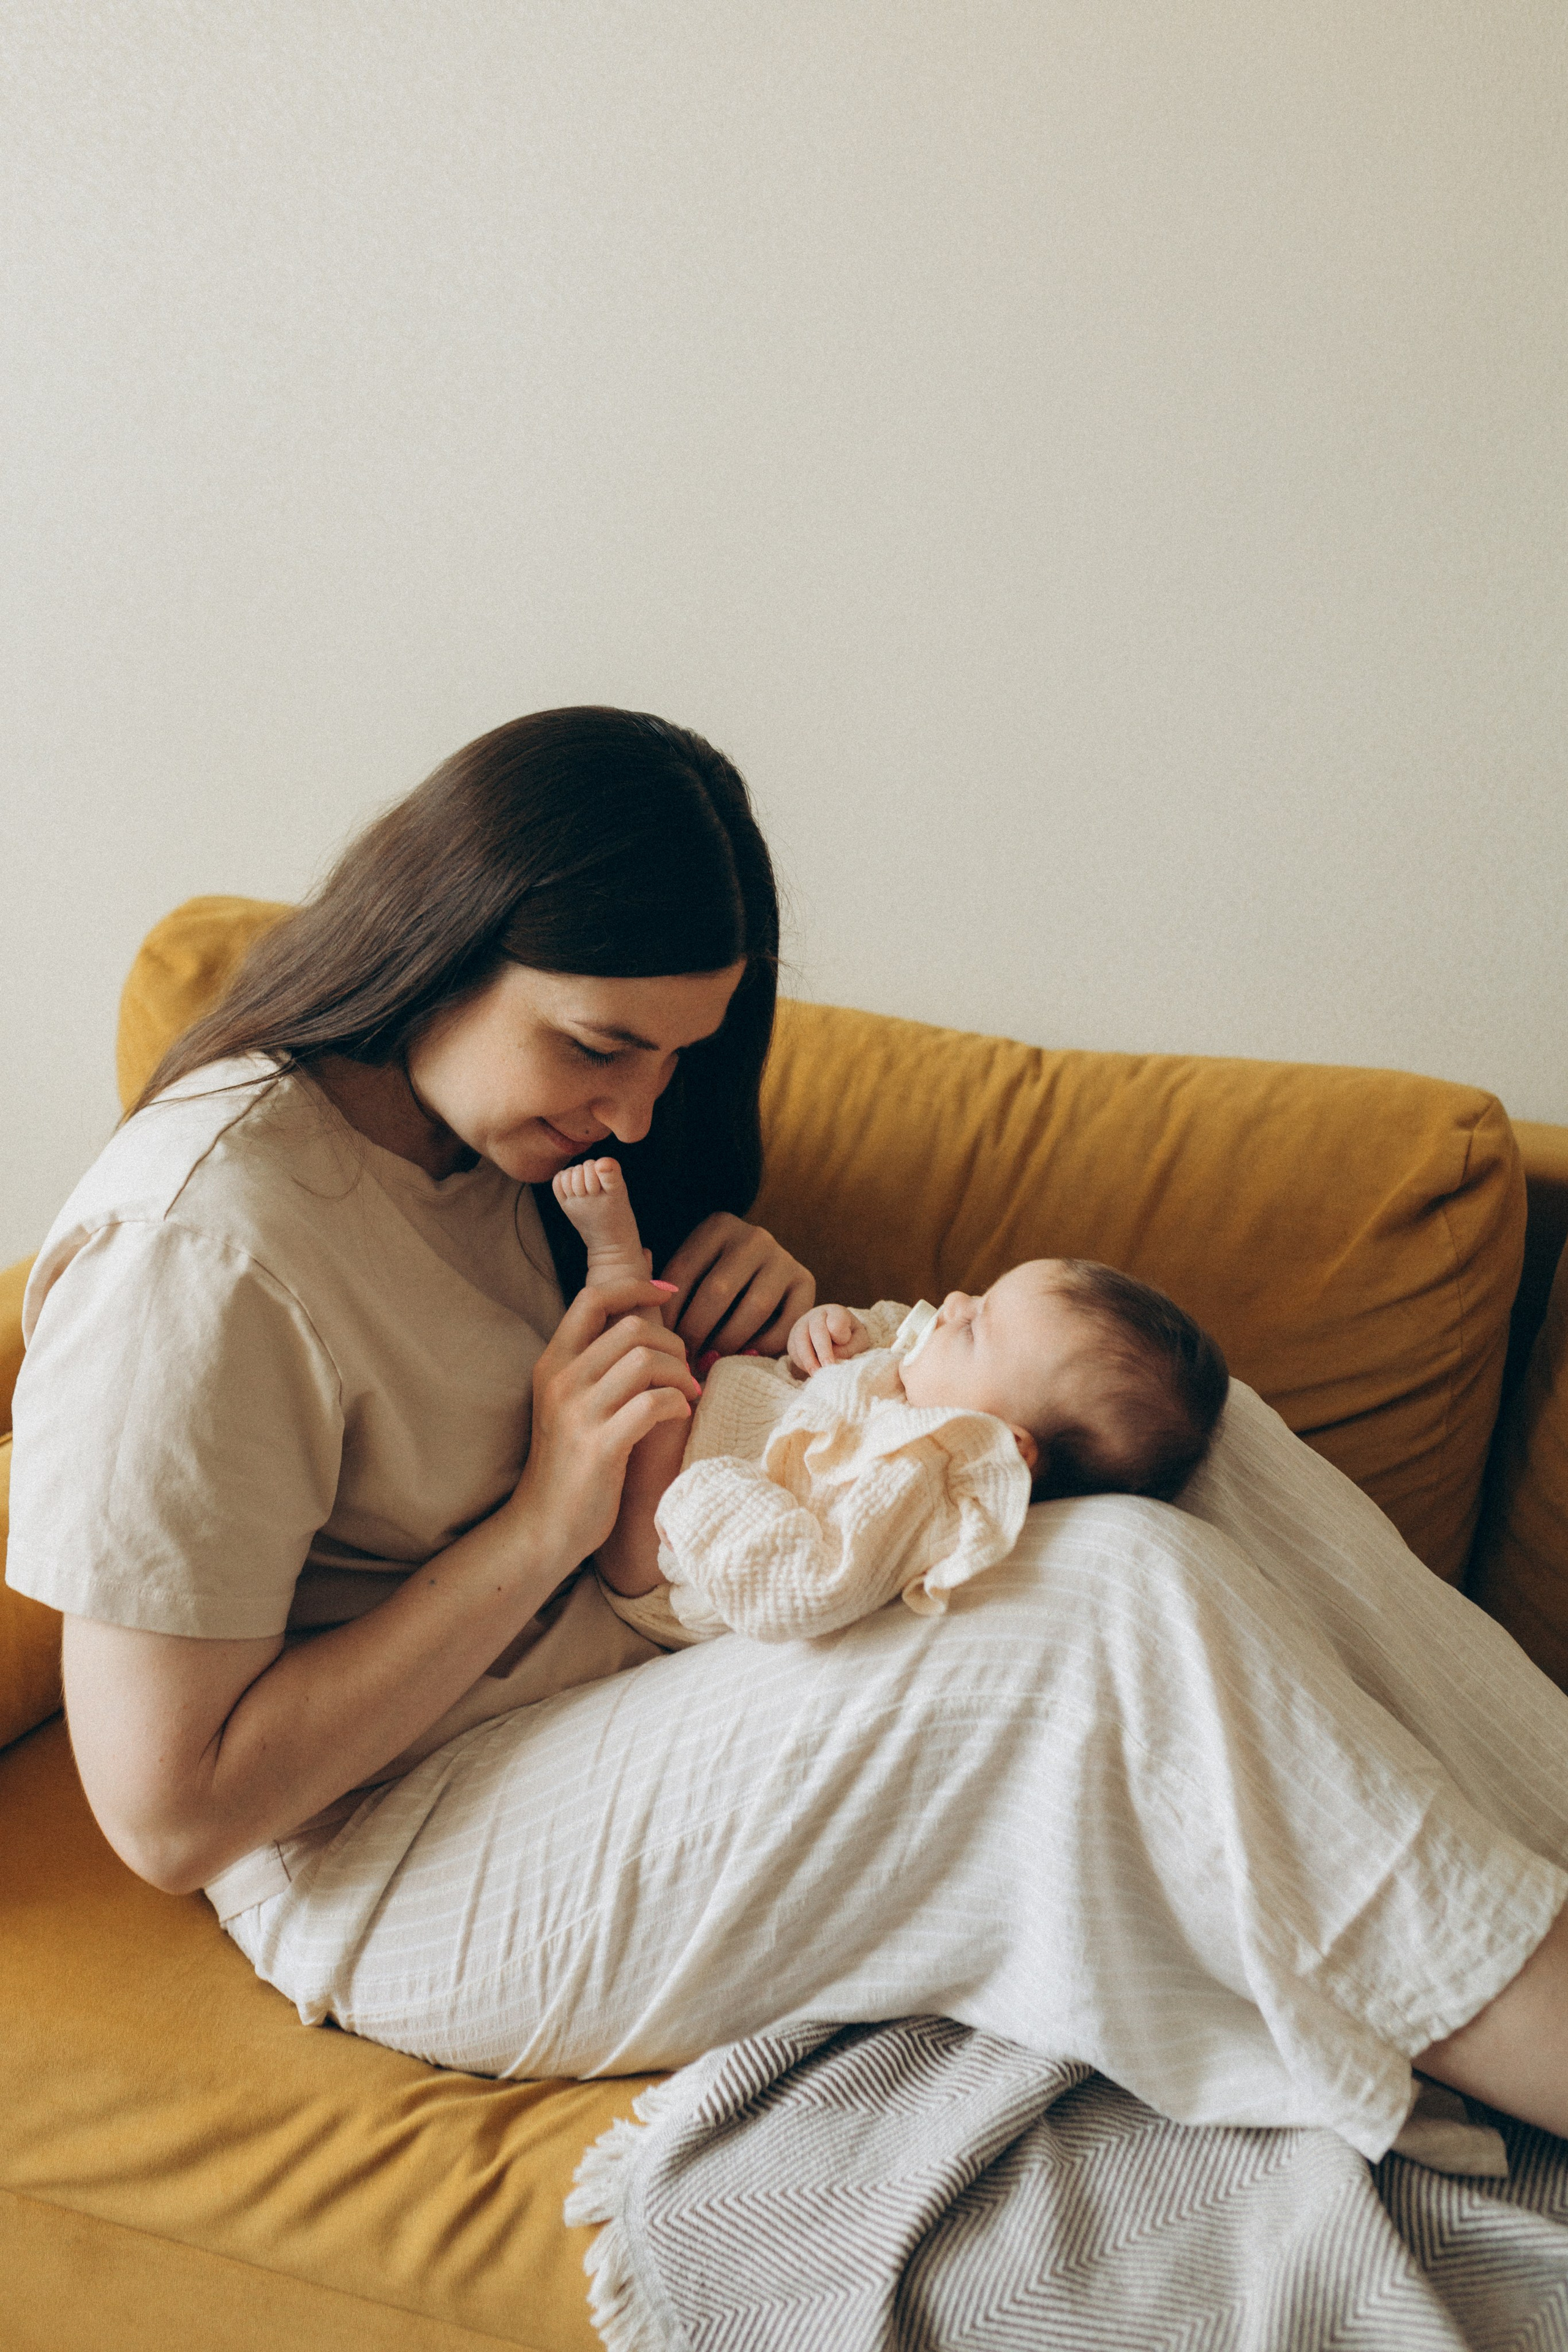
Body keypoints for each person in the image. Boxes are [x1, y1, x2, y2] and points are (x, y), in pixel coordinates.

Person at [7, 706, 1568, 2165]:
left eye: (672, 1059)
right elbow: (169, 1808)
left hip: (619, 1656)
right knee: (1112, 1599)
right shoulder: (197, 1251)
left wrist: (724, 1324)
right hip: (392, 1848)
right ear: (442, 945)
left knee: (1179, 1422)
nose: (631, 1115)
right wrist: (545, 1518)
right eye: (597, 1045)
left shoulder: (469, 1125)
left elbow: (586, 1419)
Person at [551, 1154, 1229, 1645]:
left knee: (648, 1379)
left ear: (1000, 1442)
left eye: (974, 1326)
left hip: (670, 1555)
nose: (953, 1304)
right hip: (734, 1409)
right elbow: (887, 1329)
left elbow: (806, 1586)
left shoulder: (915, 1484)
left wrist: (705, 1491)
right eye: (980, 1295)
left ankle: (615, 1263)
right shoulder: (941, 1373)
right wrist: (828, 1330)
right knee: (663, 1379)